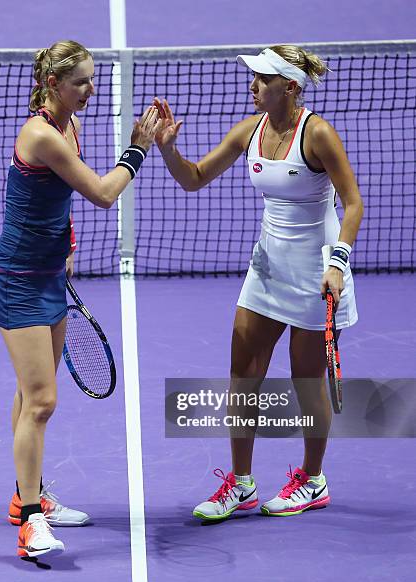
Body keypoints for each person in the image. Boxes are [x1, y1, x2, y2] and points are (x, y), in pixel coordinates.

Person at [154, 45, 363, 519]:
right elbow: (194, 178)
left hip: (316, 274)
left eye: (262, 79)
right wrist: (168, 148)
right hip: (266, 272)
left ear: (288, 87)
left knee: (306, 382)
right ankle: (242, 484)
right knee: (243, 378)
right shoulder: (251, 130)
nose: (252, 86)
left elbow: (352, 204)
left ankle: (312, 480)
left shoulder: (319, 135)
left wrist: (338, 263)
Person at [0, 40, 159, 557]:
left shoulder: (69, 126)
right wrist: (139, 147)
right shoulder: (42, 135)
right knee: (42, 402)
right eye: (81, 81)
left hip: (47, 276)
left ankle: (25, 496)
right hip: (16, 280)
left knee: (30, 392)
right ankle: (32, 523)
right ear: (53, 85)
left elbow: (62, 200)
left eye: (93, 78)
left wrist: (69, 248)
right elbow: (102, 192)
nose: (92, 89)